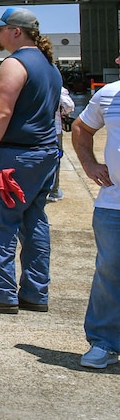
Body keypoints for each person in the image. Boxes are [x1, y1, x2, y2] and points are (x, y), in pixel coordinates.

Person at [0, 7, 62, 314]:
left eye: (0, 28)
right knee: (33, 223)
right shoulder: (49, 67)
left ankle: (2, 293)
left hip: (13, 157)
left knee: (0, 223)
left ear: (16, 31)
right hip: (45, 155)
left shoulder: (14, 65)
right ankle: (35, 292)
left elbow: (2, 113)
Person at [73, 62, 120, 368]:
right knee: (109, 273)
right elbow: (80, 128)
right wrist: (89, 165)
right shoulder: (110, 95)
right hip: (113, 206)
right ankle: (103, 343)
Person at [52, 85, 75, 201]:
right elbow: (69, 105)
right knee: (55, 159)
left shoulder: (27, 85)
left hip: (30, 129)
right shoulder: (57, 87)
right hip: (54, 130)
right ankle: (54, 191)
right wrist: (62, 112)